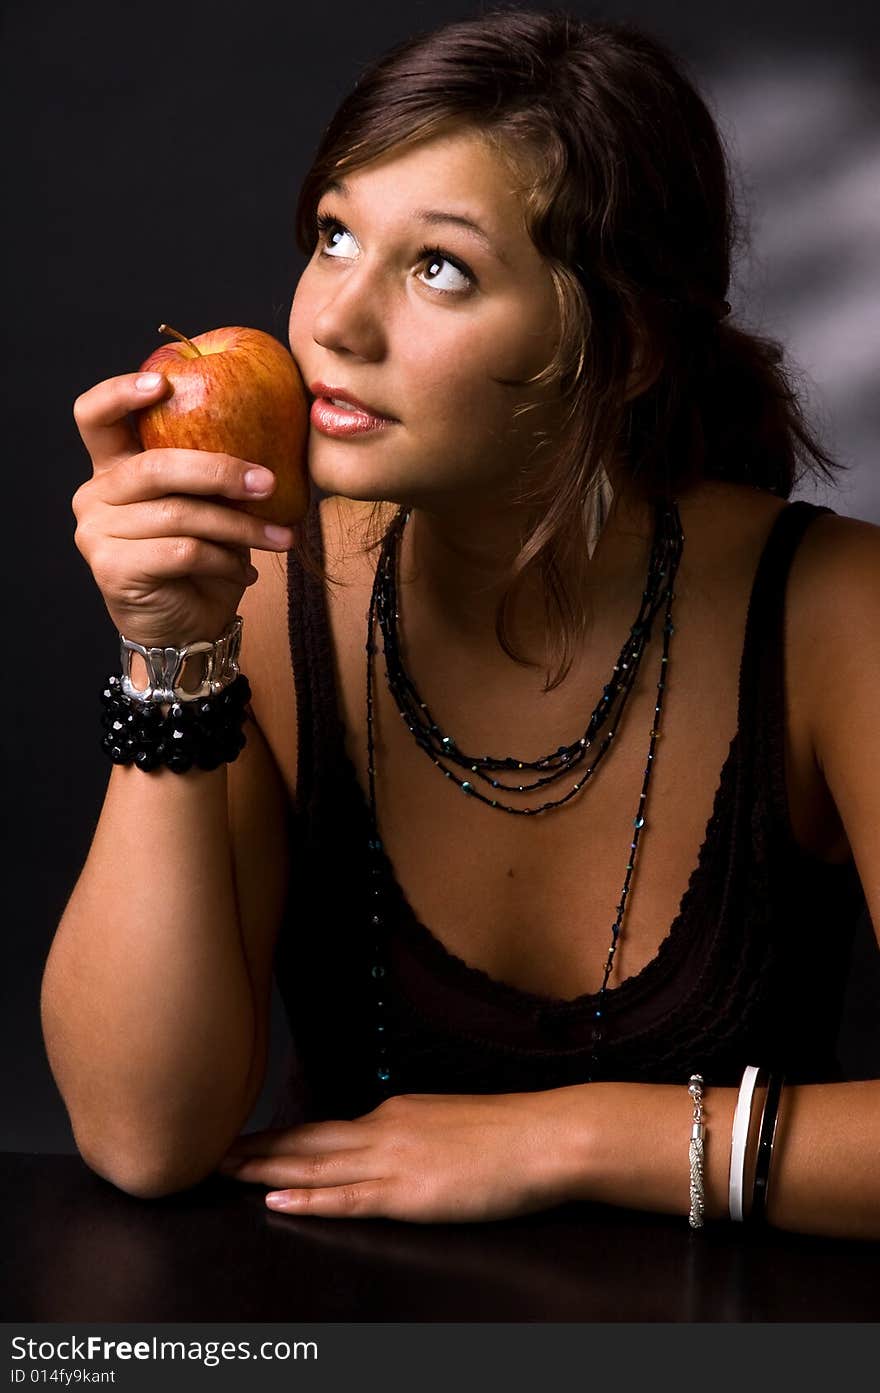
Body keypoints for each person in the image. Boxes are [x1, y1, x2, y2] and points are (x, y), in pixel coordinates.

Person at [43, 9, 879, 1240]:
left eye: (438, 267)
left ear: (626, 343)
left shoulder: (831, 612)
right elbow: (143, 1136)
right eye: (334, 237)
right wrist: (169, 650)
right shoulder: (272, 598)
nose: (335, 321)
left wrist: (572, 1137)